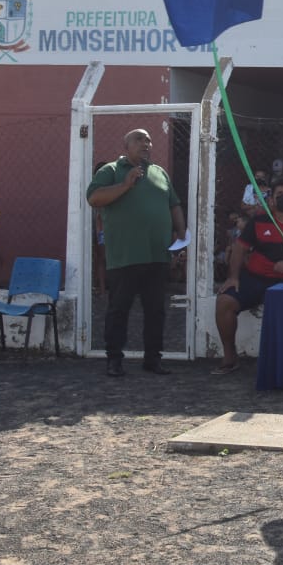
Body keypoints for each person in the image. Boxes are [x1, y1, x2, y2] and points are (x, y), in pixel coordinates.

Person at [87, 129, 186, 378]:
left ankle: (153, 360)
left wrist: (182, 235)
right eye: (139, 139)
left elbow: (173, 204)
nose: (146, 143)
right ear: (126, 145)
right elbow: (94, 198)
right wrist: (125, 184)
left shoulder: (159, 172)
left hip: (157, 255)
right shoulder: (109, 171)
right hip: (125, 256)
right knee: (119, 309)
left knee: (156, 311)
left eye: (149, 140)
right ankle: (114, 360)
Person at [213, 176, 283, 375]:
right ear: (271, 200)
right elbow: (239, 248)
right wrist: (233, 277)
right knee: (224, 301)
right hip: (255, 279)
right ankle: (230, 357)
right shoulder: (258, 220)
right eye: (280, 194)